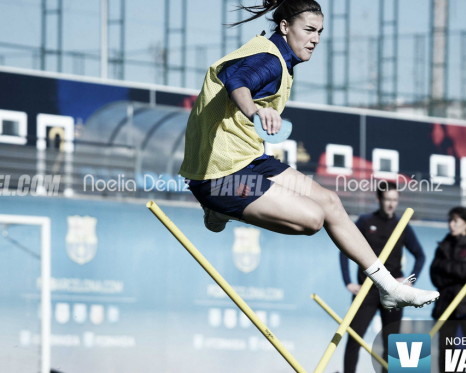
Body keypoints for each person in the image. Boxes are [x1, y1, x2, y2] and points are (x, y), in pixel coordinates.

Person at [178, 0, 439, 310]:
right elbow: (237, 79)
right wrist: (254, 111)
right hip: (218, 178)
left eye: (320, 31)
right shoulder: (270, 59)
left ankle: (388, 286)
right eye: (309, 30)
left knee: (330, 202)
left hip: (246, 160)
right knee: (313, 219)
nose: (315, 38)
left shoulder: (277, 54)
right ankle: (220, 210)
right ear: (285, 27)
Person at [340, 182, 426, 373]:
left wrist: (409, 281)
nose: (391, 204)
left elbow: (420, 255)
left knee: (391, 342)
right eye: (387, 199)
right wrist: (348, 281)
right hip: (366, 290)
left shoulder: (402, 225)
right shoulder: (364, 220)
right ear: (379, 199)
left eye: (395, 200)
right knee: (354, 337)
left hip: (393, 292)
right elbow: (344, 248)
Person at [430, 207, 466, 373]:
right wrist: (453, 271)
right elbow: (434, 274)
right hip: (445, 303)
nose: (451, 225)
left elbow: (465, 271)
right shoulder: (443, 245)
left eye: (456, 221)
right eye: (450, 220)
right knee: (445, 351)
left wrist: (445, 267)